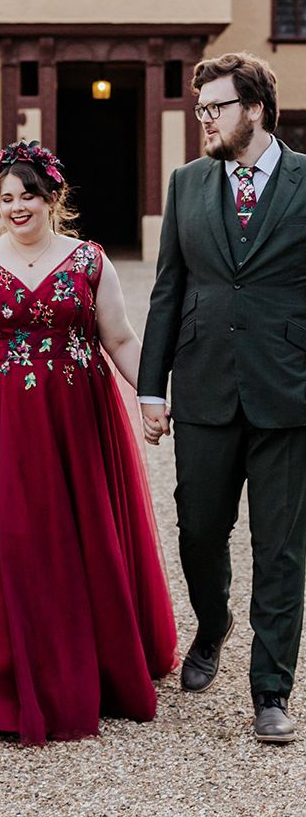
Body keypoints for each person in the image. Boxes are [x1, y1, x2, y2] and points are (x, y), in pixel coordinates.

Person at [0, 140, 177, 745]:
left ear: (53, 197)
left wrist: (154, 396)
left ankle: (91, 658)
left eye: (28, 194)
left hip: (75, 425)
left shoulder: (89, 261)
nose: (16, 207)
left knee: (73, 533)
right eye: (5, 198)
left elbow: (122, 340)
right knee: (1, 538)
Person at [138, 51, 306, 744]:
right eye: (201, 107)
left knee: (282, 549)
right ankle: (213, 623)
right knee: (200, 531)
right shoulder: (186, 184)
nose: (204, 118)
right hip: (204, 386)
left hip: (288, 392)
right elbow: (168, 290)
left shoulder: (305, 182)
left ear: (256, 110)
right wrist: (152, 386)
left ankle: (271, 690)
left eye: (216, 107)